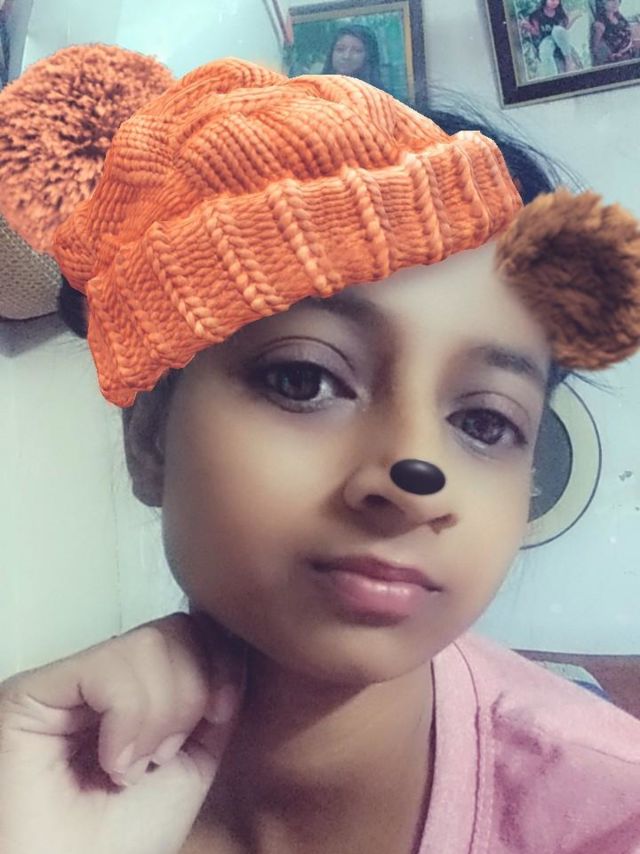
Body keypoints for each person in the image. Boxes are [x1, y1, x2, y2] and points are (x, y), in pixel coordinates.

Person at [1, 58, 640, 854]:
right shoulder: (29, 787)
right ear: (150, 433)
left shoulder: (610, 817)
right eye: (304, 379)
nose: (415, 476)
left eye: (484, 422)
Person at [521, 0, 585, 77]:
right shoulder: (536, 15)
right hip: (546, 40)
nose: (554, 2)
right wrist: (529, 28)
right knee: (545, 49)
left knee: (557, 30)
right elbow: (538, 33)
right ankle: (551, 75)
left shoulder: (560, 13)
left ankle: (568, 60)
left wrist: (575, 17)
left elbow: (564, 28)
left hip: (559, 38)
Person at [322, 24, 383, 88]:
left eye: (357, 50)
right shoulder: (317, 89)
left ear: (368, 56)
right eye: (340, 49)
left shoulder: (378, 93)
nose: (346, 56)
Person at [592, 0, 634, 64]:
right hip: (621, 61)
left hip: (631, 52)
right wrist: (611, 56)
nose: (616, 3)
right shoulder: (600, 25)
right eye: (611, 0)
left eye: (618, 0)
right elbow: (595, 48)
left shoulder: (617, 15)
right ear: (602, 2)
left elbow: (628, 31)